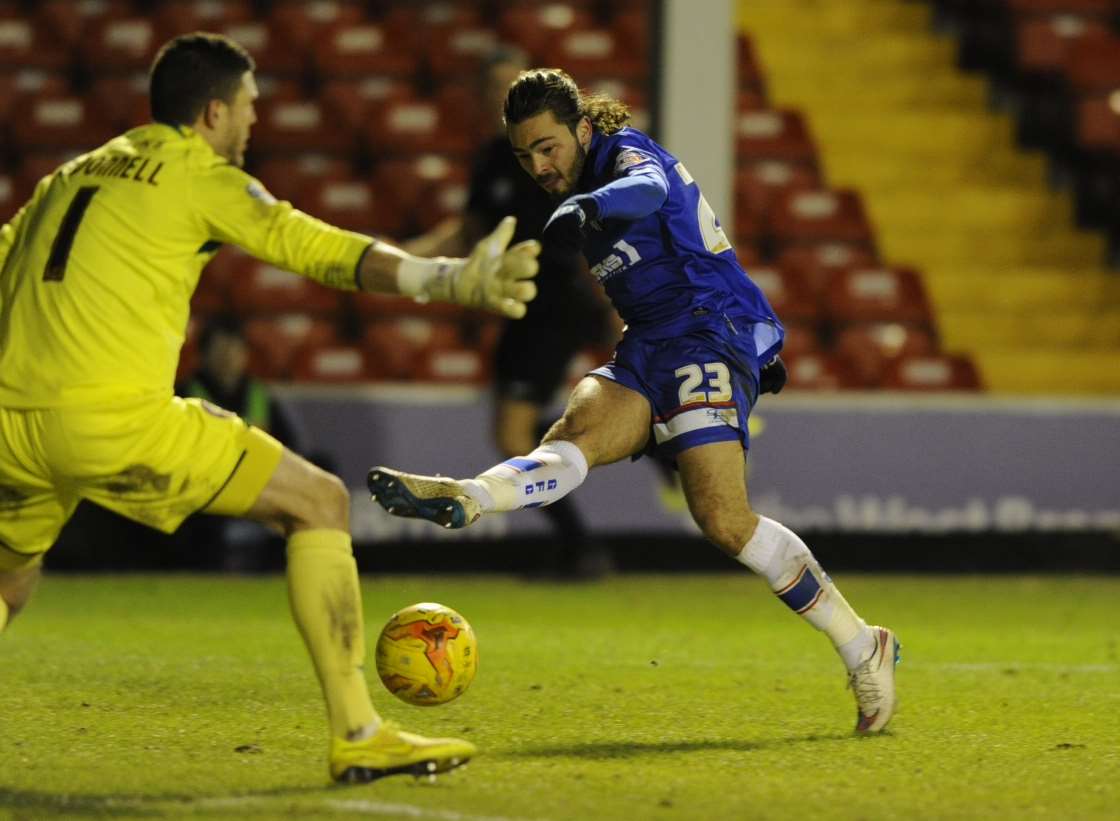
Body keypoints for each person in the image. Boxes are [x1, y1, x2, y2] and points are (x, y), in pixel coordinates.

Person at [0, 33, 539, 782]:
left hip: (9, 423)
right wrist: (447, 279)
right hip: (111, 420)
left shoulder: (69, 176)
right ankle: (358, 729)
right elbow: (313, 247)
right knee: (318, 501)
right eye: (249, 108)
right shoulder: (196, 173)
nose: (255, 124)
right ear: (214, 112)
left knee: (9, 581)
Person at [368, 69, 900, 735]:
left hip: (707, 330)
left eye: (549, 147)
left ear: (582, 129)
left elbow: (649, 189)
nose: (539, 166)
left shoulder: (622, 155)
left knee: (725, 520)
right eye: (525, 154)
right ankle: (469, 497)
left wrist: (595, 206)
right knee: (575, 430)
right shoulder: (573, 180)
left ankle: (862, 644)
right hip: (649, 344)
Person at [405, 47, 617, 579]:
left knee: (514, 433)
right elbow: (468, 232)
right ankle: (588, 511)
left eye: (511, 85)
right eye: (494, 90)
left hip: (558, 302)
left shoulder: (563, 155)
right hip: (521, 305)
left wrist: (615, 305)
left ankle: (581, 546)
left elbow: (602, 227)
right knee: (516, 434)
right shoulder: (491, 161)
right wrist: (405, 260)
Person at [176, 312, 305, 572]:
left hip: (260, 482)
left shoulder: (259, 394)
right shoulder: (185, 393)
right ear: (203, 354)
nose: (228, 358)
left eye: (234, 349)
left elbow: (290, 446)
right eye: (220, 350)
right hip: (206, 488)